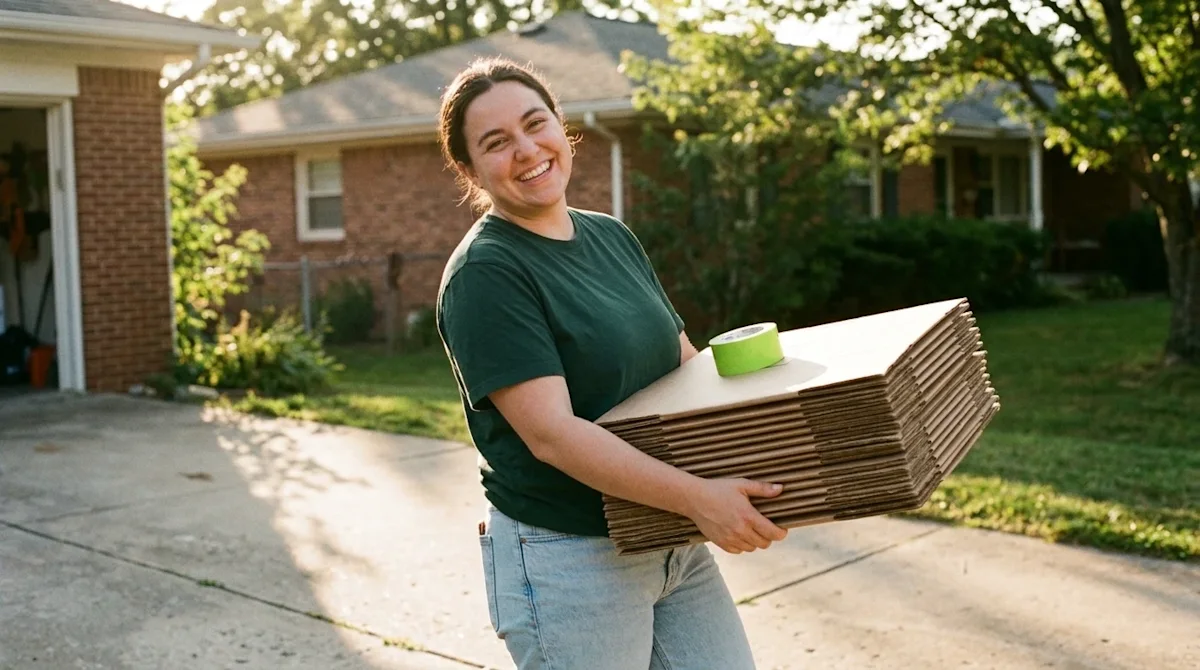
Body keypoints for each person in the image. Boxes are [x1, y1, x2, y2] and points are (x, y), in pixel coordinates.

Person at [435, 56, 788, 670]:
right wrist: (699, 498)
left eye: (534, 123)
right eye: (496, 142)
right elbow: (553, 436)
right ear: (468, 170)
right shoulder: (488, 272)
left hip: (669, 532)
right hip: (568, 555)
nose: (526, 150)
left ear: (561, 127)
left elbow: (683, 370)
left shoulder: (610, 236)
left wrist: (782, 415)